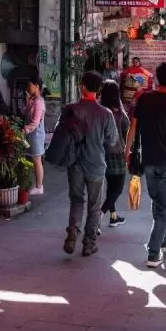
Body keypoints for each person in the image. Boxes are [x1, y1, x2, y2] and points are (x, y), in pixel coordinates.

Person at [124, 61, 166, 268]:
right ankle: (153, 253)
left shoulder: (144, 98)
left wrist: (127, 150)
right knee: (163, 206)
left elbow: (133, 127)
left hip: (147, 159)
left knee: (157, 201)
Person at [55, 72, 119, 256]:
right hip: (96, 163)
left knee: (76, 199)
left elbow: (61, 132)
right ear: (98, 90)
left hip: (74, 162)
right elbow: (112, 139)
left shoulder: (70, 109)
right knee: (94, 205)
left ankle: (73, 230)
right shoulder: (105, 113)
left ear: (81, 86)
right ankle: (89, 244)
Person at [98, 80, 131, 228]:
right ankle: (100, 214)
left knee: (110, 187)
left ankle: (113, 216)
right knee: (117, 189)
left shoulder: (99, 110)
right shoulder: (119, 113)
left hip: (101, 153)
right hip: (117, 153)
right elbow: (127, 131)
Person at [22, 76, 46, 196]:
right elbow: (25, 114)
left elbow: (35, 122)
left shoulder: (39, 103)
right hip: (29, 134)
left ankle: (39, 186)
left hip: (35, 134)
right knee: (28, 159)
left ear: (36, 86)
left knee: (37, 160)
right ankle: (30, 184)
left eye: (30, 85)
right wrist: (27, 101)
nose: (28, 88)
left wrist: (25, 130)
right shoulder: (32, 101)